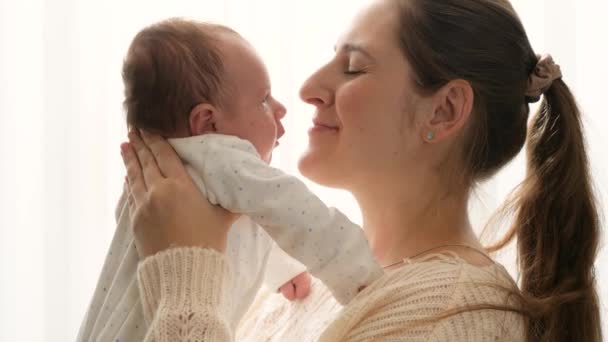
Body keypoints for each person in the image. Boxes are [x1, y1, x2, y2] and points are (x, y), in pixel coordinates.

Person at [120, 0, 602, 341]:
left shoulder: (451, 322)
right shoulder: (306, 288)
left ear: (444, 110)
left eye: (353, 67)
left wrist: (184, 272)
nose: (308, 87)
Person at [78, 18, 383, 342]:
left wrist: (283, 270)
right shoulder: (219, 157)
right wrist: (359, 273)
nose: (281, 109)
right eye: (264, 99)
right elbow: (293, 210)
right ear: (207, 122)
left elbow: (256, 222)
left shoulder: (159, 175)